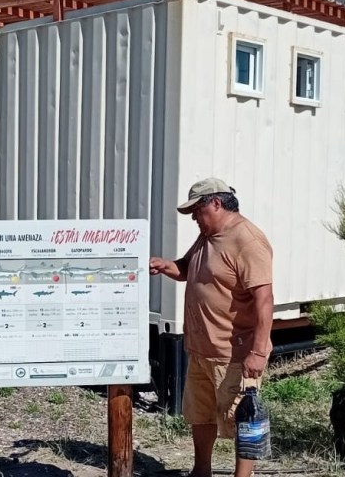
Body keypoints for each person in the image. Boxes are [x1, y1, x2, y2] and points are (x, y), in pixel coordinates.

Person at [149, 177, 274, 477]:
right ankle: (201, 471)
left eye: (197, 210)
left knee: (241, 418)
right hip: (201, 350)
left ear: (216, 203)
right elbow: (187, 267)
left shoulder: (247, 240)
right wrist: (165, 266)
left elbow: (265, 300)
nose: (194, 217)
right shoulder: (208, 235)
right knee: (201, 415)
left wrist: (258, 352)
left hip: (234, 354)